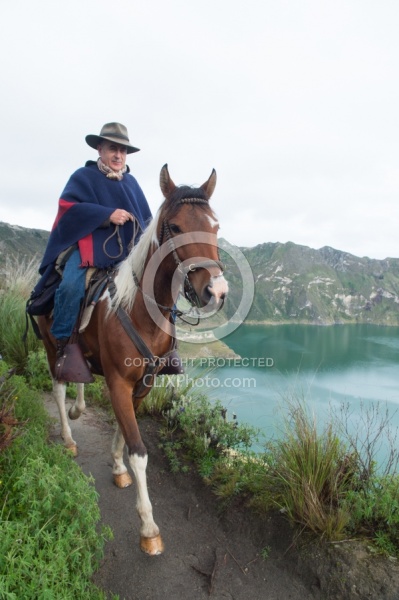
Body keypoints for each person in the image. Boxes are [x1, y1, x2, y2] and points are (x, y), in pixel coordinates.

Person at [40, 122, 152, 365]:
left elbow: (146, 221)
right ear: (99, 149)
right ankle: (64, 345)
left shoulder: (131, 184)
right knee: (71, 286)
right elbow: (68, 209)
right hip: (88, 248)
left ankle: (165, 348)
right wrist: (106, 215)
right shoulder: (83, 177)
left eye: (123, 151)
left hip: (127, 253)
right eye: (113, 148)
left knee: (158, 284)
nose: (118, 155)